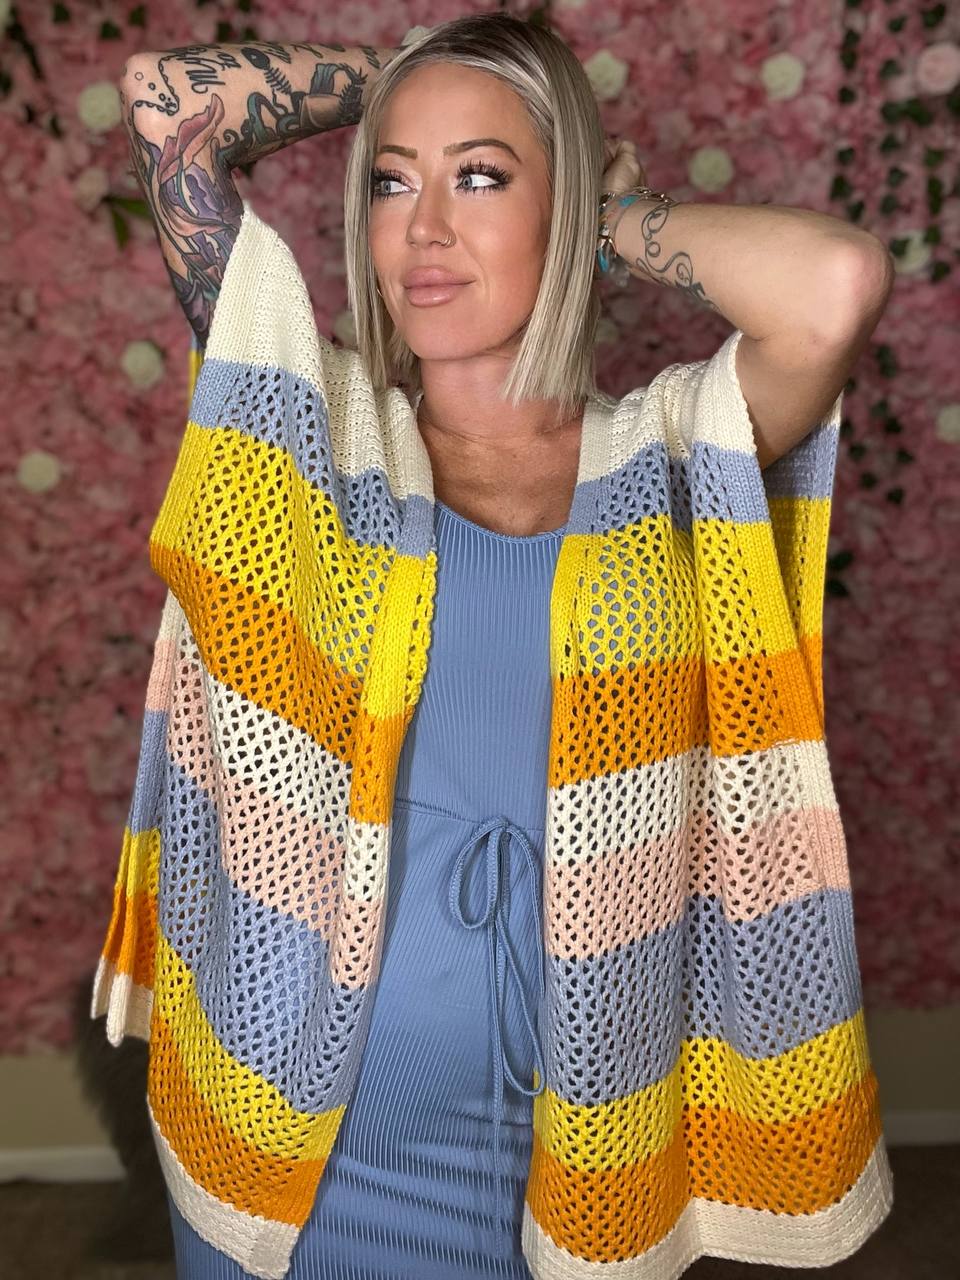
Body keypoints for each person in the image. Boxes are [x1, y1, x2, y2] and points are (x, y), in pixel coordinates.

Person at [104, 10, 894, 1279]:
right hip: (293, 1168)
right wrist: (423, 75)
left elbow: (833, 286)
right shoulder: (309, 433)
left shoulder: (670, 456)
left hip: (584, 1167)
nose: (424, 228)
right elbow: (168, 102)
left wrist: (598, 202)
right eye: (391, 180)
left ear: (559, 204)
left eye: (480, 176)